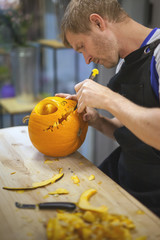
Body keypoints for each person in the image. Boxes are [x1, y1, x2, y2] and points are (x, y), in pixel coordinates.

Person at [56, 0, 160, 217]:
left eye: (82, 46)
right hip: (127, 181)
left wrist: (108, 98)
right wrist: (96, 120)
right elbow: (131, 133)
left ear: (97, 23)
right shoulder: (124, 65)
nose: (86, 60)